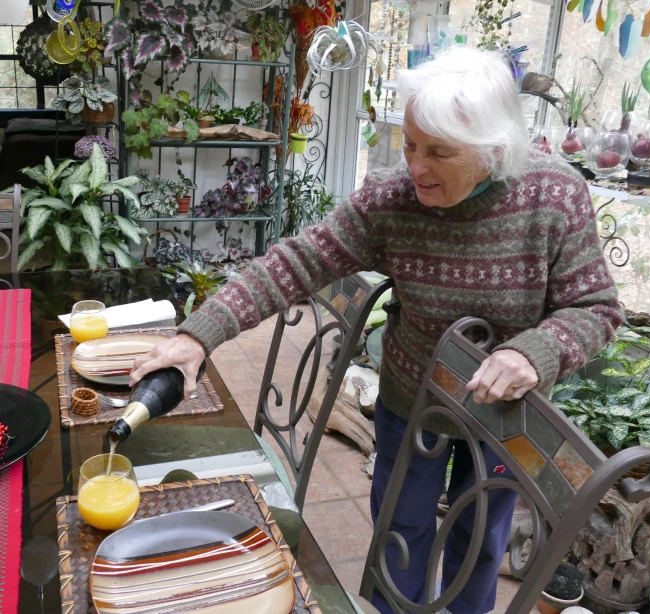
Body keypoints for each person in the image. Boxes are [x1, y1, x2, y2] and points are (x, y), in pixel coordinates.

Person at [130, 46, 623, 614]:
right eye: (410, 143)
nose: (415, 166)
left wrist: (536, 352)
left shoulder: (554, 195)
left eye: (439, 152)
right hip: (412, 399)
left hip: (508, 414)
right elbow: (294, 262)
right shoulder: (392, 199)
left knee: (480, 547)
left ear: (493, 150)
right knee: (400, 530)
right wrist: (197, 337)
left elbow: (596, 308)